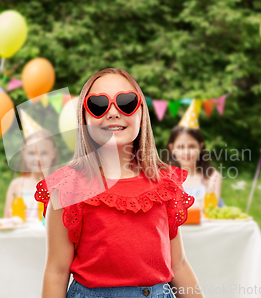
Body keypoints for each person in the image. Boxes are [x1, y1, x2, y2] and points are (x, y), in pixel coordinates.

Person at [35, 68, 204, 298]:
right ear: (83, 118)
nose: (113, 113)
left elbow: (179, 264)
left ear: (142, 114)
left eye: (126, 102)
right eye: (98, 105)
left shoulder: (165, 183)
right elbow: (56, 271)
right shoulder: (68, 187)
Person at [166, 103, 225, 216]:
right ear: (172, 148)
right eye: (180, 147)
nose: (186, 152)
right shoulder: (167, 179)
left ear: (201, 147)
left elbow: (210, 209)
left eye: (192, 146)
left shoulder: (211, 177)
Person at [4, 111, 58, 221]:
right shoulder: (17, 185)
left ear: (53, 153)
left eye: (44, 153)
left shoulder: (59, 185)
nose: (37, 159)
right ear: (23, 154)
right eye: (31, 153)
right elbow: (7, 221)